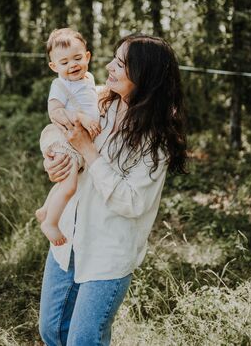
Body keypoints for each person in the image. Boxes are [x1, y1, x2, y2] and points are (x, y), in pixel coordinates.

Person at [39, 33, 187, 346]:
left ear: (143, 75)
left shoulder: (155, 139)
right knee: (51, 331)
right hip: (68, 236)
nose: (109, 67)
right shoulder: (99, 99)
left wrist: (87, 151)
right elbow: (54, 127)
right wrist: (53, 153)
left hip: (107, 252)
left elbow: (133, 202)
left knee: (83, 340)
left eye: (120, 64)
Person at [36, 28, 101, 246]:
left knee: (66, 180)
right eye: (64, 62)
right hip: (63, 136)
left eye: (77, 58)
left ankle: (46, 209)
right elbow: (54, 112)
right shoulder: (60, 84)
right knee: (70, 185)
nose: (72, 65)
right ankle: (50, 223)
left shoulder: (89, 79)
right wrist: (81, 117)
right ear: (54, 67)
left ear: (88, 57)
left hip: (76, 138)